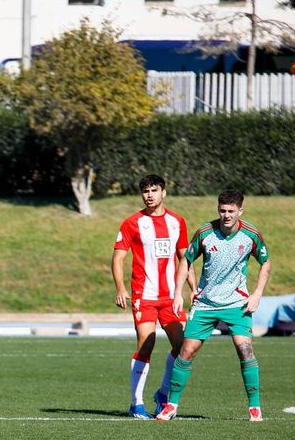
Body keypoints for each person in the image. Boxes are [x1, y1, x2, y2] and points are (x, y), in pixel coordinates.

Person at [156, 189, 271, 423]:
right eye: (222, 210)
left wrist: (257, 293)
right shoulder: (205, 232)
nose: (226, 215)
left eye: (230, 211)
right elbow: (185, 260)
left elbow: (265, 262)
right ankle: (171, 405)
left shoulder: (251, 234)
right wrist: (178, 293)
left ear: (240, 211)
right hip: (205, 303)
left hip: (237, 302)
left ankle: (255, 408)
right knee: (186, 351)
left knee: (245, 349)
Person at [111, 174, 191, 419]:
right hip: (143, 295)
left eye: (154, 190)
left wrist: (193, 287)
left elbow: (184, 258)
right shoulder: (132, 223)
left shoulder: (177, 222)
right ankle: (136, 404)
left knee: (184, 346)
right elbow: (118, 258)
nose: (149, 195)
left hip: (170, 297)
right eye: (145, 191)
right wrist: (121, 288)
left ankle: (162, 394)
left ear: (163, 192)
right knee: (147, 344)